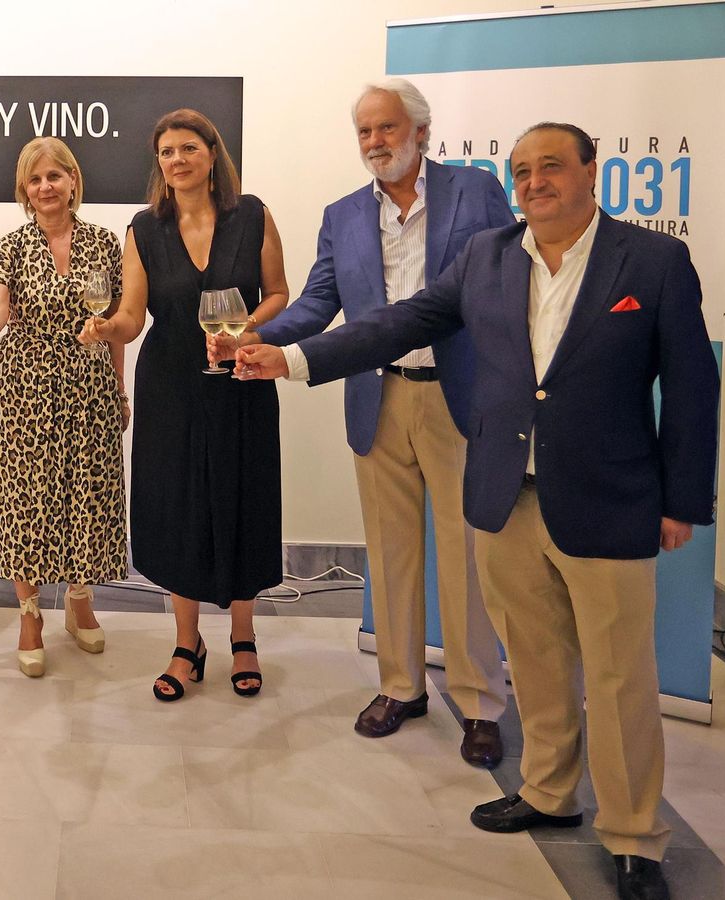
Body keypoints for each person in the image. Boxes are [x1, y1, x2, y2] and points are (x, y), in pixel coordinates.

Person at [236, 122, 719, 900]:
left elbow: (694, 389)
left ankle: (633, 835)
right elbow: (400, 323)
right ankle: (549, 792)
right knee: (533, 658)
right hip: (502, 494)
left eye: (552, 167)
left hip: (607, 497)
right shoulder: (488, 256)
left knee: (620, 675)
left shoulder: (652, 261)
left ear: (592, 172)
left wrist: (682, 499)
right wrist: (291, 360)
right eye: (522, 170)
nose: (534, 182)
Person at [216, 79, 514, 767]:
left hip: (458, 398)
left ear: (420, 130)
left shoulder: (475, 192)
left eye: (386, 128)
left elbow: (505, 286)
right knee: (391, 553)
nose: (375, 142)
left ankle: (477, 702)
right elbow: (318, 305)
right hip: (377, 399)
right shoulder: (344, 214)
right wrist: (244, 335)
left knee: (467, 558)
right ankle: (401, 686)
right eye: (364, 133)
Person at [80, 109, 289, 701]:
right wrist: (105, 329)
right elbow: (131, 315)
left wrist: (246, 331)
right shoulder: (145, 228)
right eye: (166, 151)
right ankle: (186, 643)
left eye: (188, 148)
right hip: (170, 384)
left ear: (211, 153)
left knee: (242, 496)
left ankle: (244, 639)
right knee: (178, 508)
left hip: (241, 378)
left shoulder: (252, 216)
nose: (177, 159)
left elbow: (278, 292)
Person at [0, 137, 128, 678]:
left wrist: (120, 388)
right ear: (24, 192)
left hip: (89, 385)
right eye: (34, 180)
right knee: (28, 498)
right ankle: (30, 613)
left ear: (74, 182)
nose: (45, 187)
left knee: (86, 491)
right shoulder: (9, 247)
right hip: (25, 386)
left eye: (54, 176)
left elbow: (118, 329)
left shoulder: (107, 244)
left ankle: (79, 601)